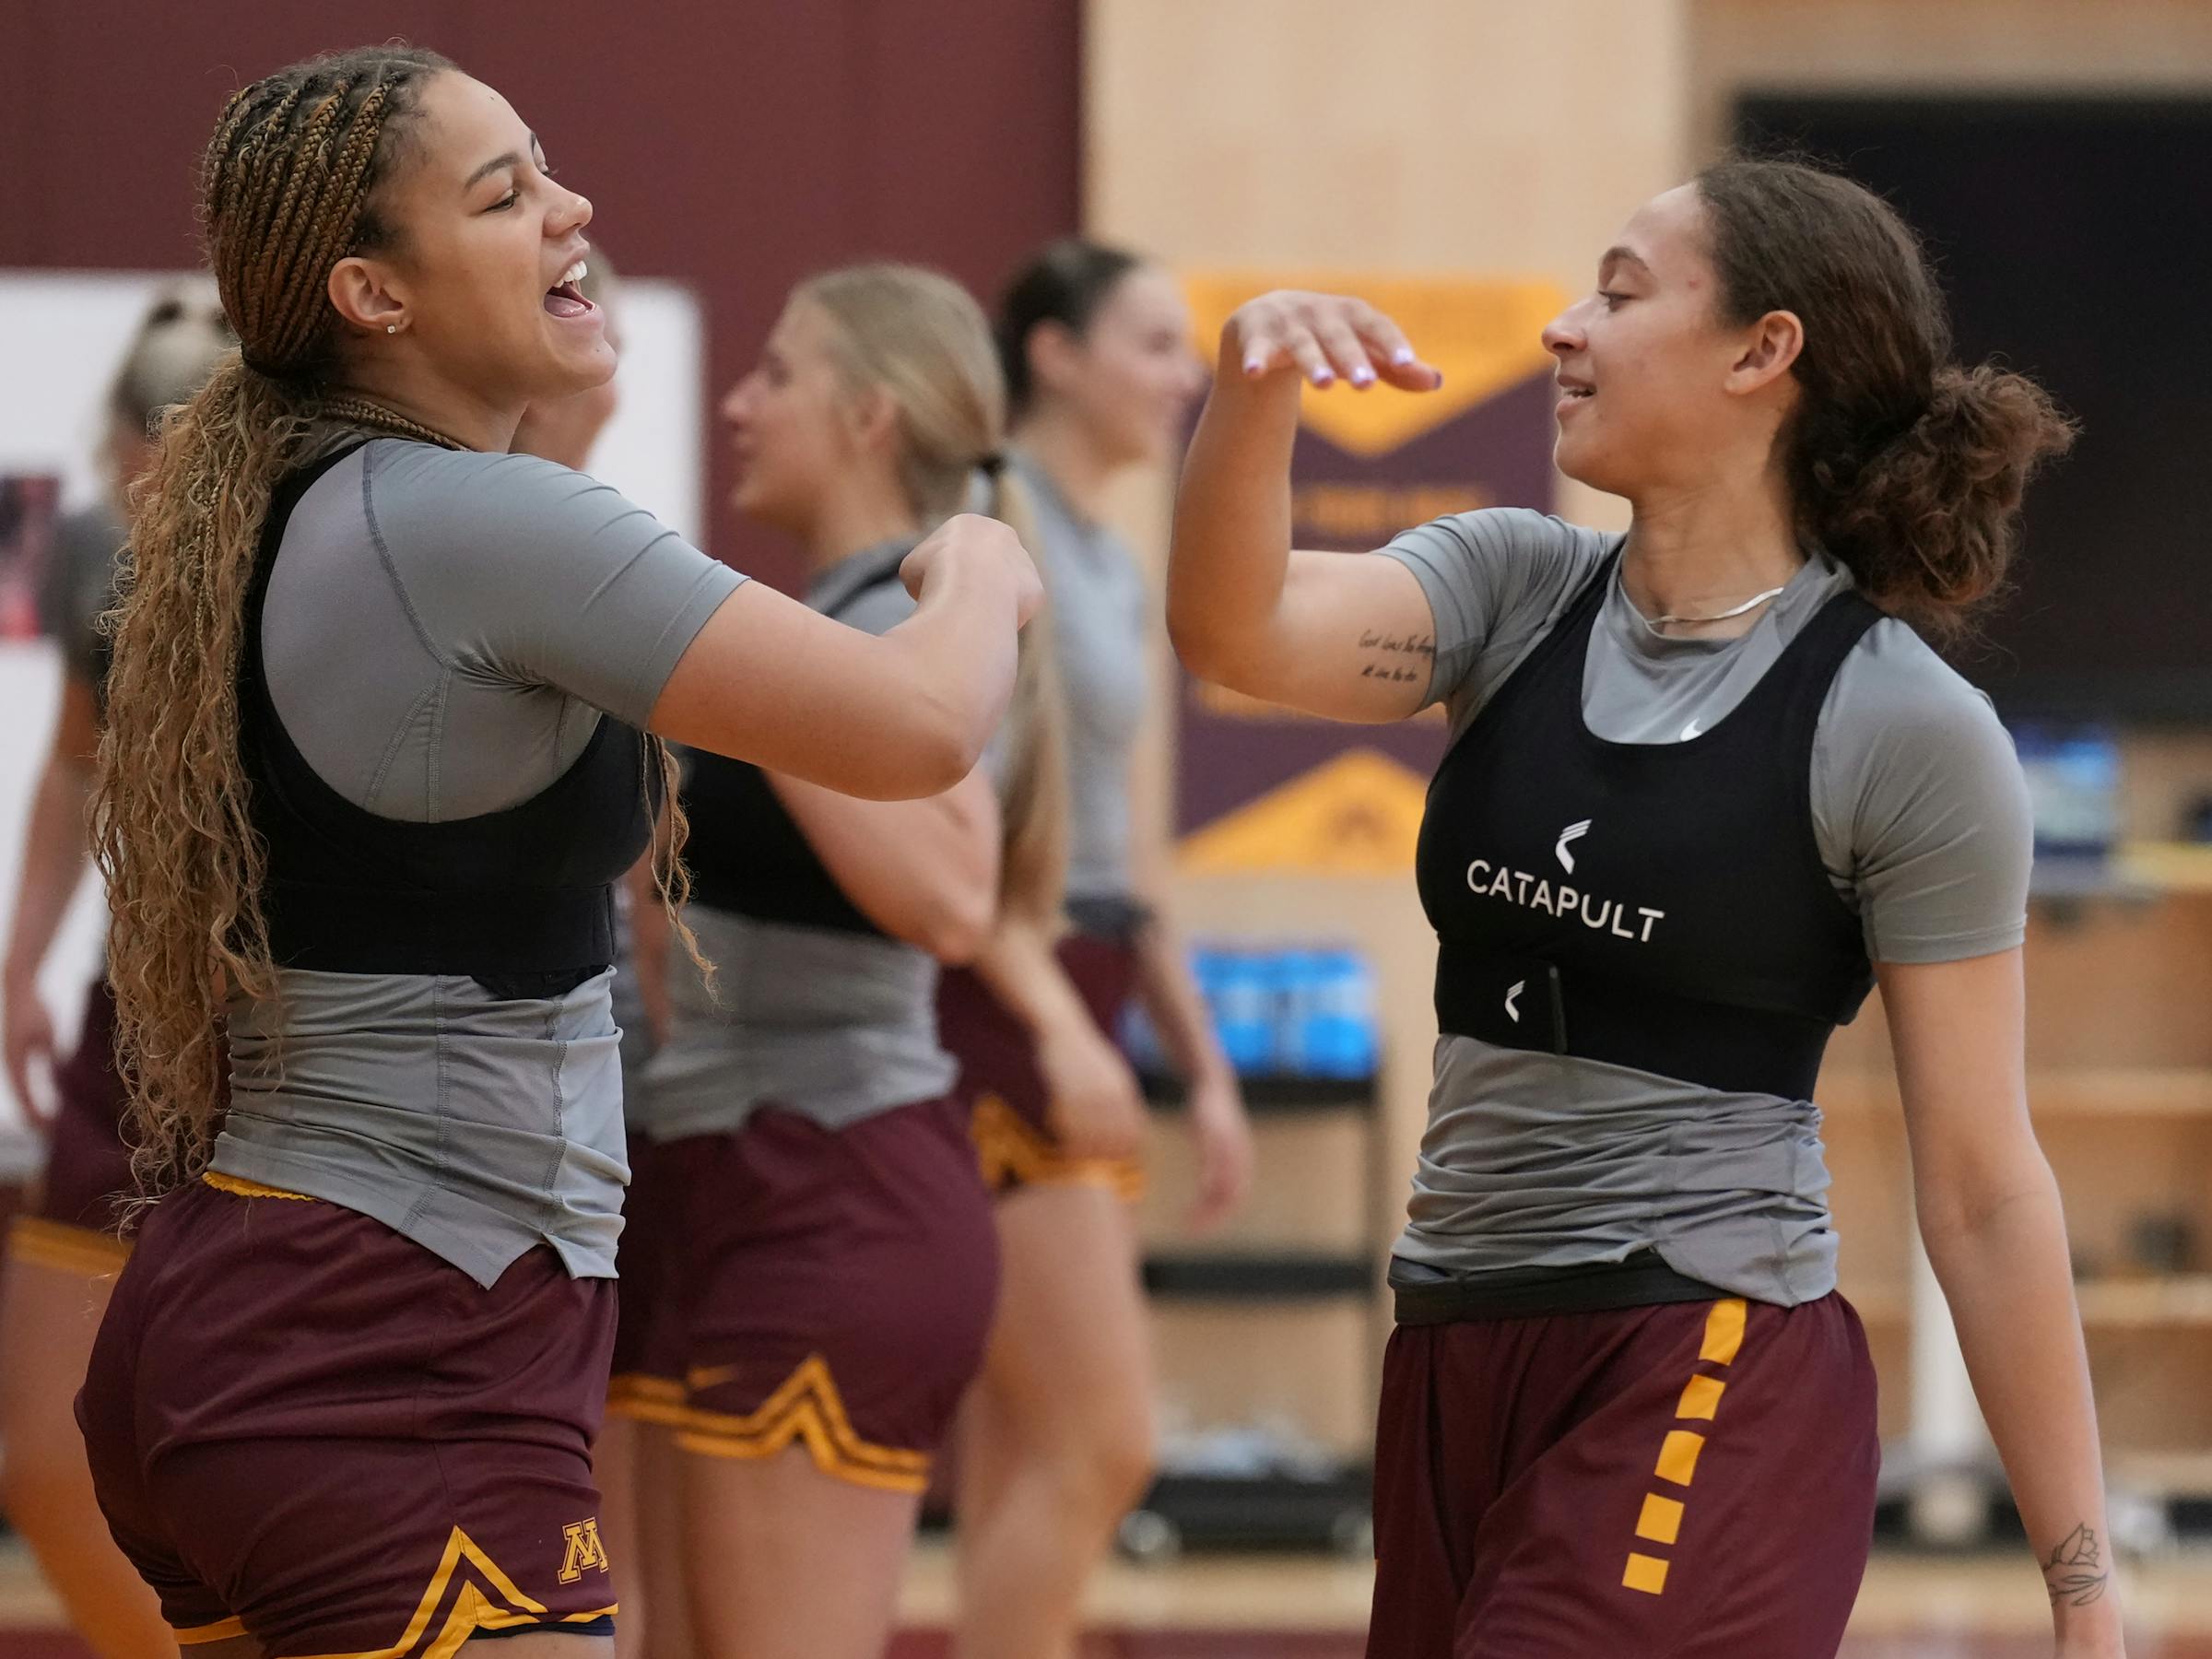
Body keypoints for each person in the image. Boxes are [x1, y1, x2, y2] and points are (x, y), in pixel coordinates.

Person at [77, 46, 1039, 1659]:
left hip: (265, 1304)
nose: (571, 207)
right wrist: (988, 562)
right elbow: (922, 725)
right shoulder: (482, 523)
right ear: (372, 294)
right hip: (391, 1344)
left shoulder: (317, 502)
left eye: (549, 166)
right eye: (505, 191)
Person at [1166, 159, 2121, 1659]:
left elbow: (1989, 1191)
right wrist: (1254, 390)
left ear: (1764, 352)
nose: (1563, 329)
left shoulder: (1901, 727)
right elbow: (1236, 631)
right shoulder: (1508, 587)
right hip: (1455, 1346)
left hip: (1704, 1355)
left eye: (1617, 293)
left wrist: (2082, 1589)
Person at [612, 262, 1053, 1659]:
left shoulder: (883, 632)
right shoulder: (856, 617)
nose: (740, 404)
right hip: (727, 1177)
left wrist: (766, 690)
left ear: (869, 416)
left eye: (780, 375)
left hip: (829, 1181)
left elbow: (951, 896)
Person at [939, 238, 1253, 1659]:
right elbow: (957, 834)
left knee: (1029, 1440)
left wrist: (1202, 1059)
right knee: (1104, 1438)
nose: (1185, 374)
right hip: (1005, 987)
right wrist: (1057, 1022)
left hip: (1094, 973)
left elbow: (1126, 843)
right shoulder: (978, 533)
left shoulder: (1118, 563)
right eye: (1151, 342)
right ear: (1053, 356)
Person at [0, 280, 231, 1659]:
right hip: (130, 1035)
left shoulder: (328, 561)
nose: (144, 474)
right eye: (133, 442)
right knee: (43, 1450)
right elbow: (75, 767)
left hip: (290, 1056)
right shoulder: (100, 559)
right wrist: (23, 961)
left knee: (243, 1457)